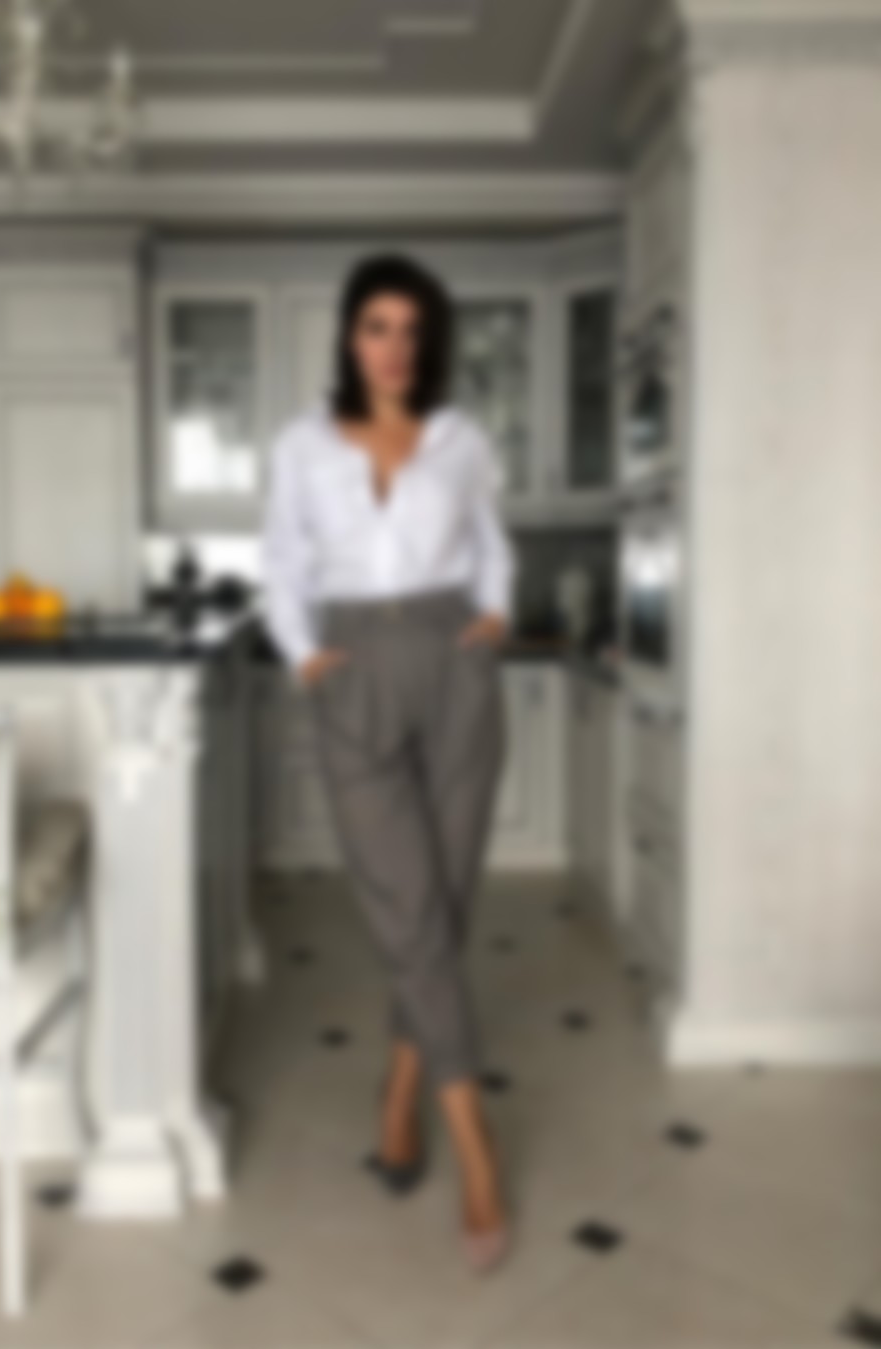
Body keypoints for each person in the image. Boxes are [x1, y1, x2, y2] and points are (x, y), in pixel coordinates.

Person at [260, 251, 516, 1273]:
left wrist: (494, 616)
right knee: (407, 906)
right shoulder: (302, 443)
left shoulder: (461, 440)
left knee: (442, 904)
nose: (395, 347)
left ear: (428, 342)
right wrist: (304, 655)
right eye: (377, 326)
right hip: (354, 661)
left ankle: (402, 1090)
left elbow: (491, 543)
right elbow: (282, 560)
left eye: (411, 330)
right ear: (349, 336)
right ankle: (476, 1146)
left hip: (453, 661)